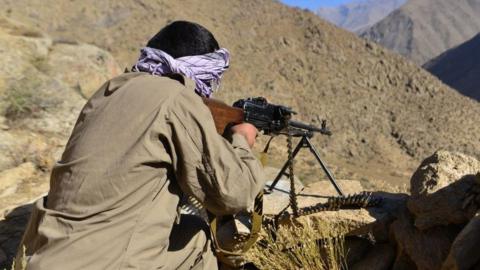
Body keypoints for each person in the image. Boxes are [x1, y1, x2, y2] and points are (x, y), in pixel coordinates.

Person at [17, 21, 265, 270]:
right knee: (198, 236)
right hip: (105, 263)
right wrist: (242, 140)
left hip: (43, 254)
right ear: (199, 70)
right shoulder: (176, 98)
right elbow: (233, 194)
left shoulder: (110, 89)